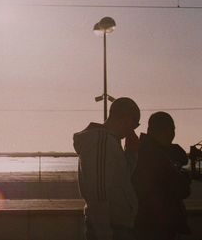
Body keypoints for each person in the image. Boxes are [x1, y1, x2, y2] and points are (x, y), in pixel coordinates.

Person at [73, 97, 140, 240]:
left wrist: (131, 154)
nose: (133, 130)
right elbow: (99, 193)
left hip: (116, 226)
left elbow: (120, 180)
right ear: (128, 119)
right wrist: (104, 234)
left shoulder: (110, 142)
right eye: (135, 124)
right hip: (111, 228)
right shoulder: (102, 142)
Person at [132, 112, 191, 240]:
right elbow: (182, 189)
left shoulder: (145, 151)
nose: (173, 134)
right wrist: (185, 176)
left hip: (149, 223)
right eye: (172, 129)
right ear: (166, 131)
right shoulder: (156, 156)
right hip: (158, 226)